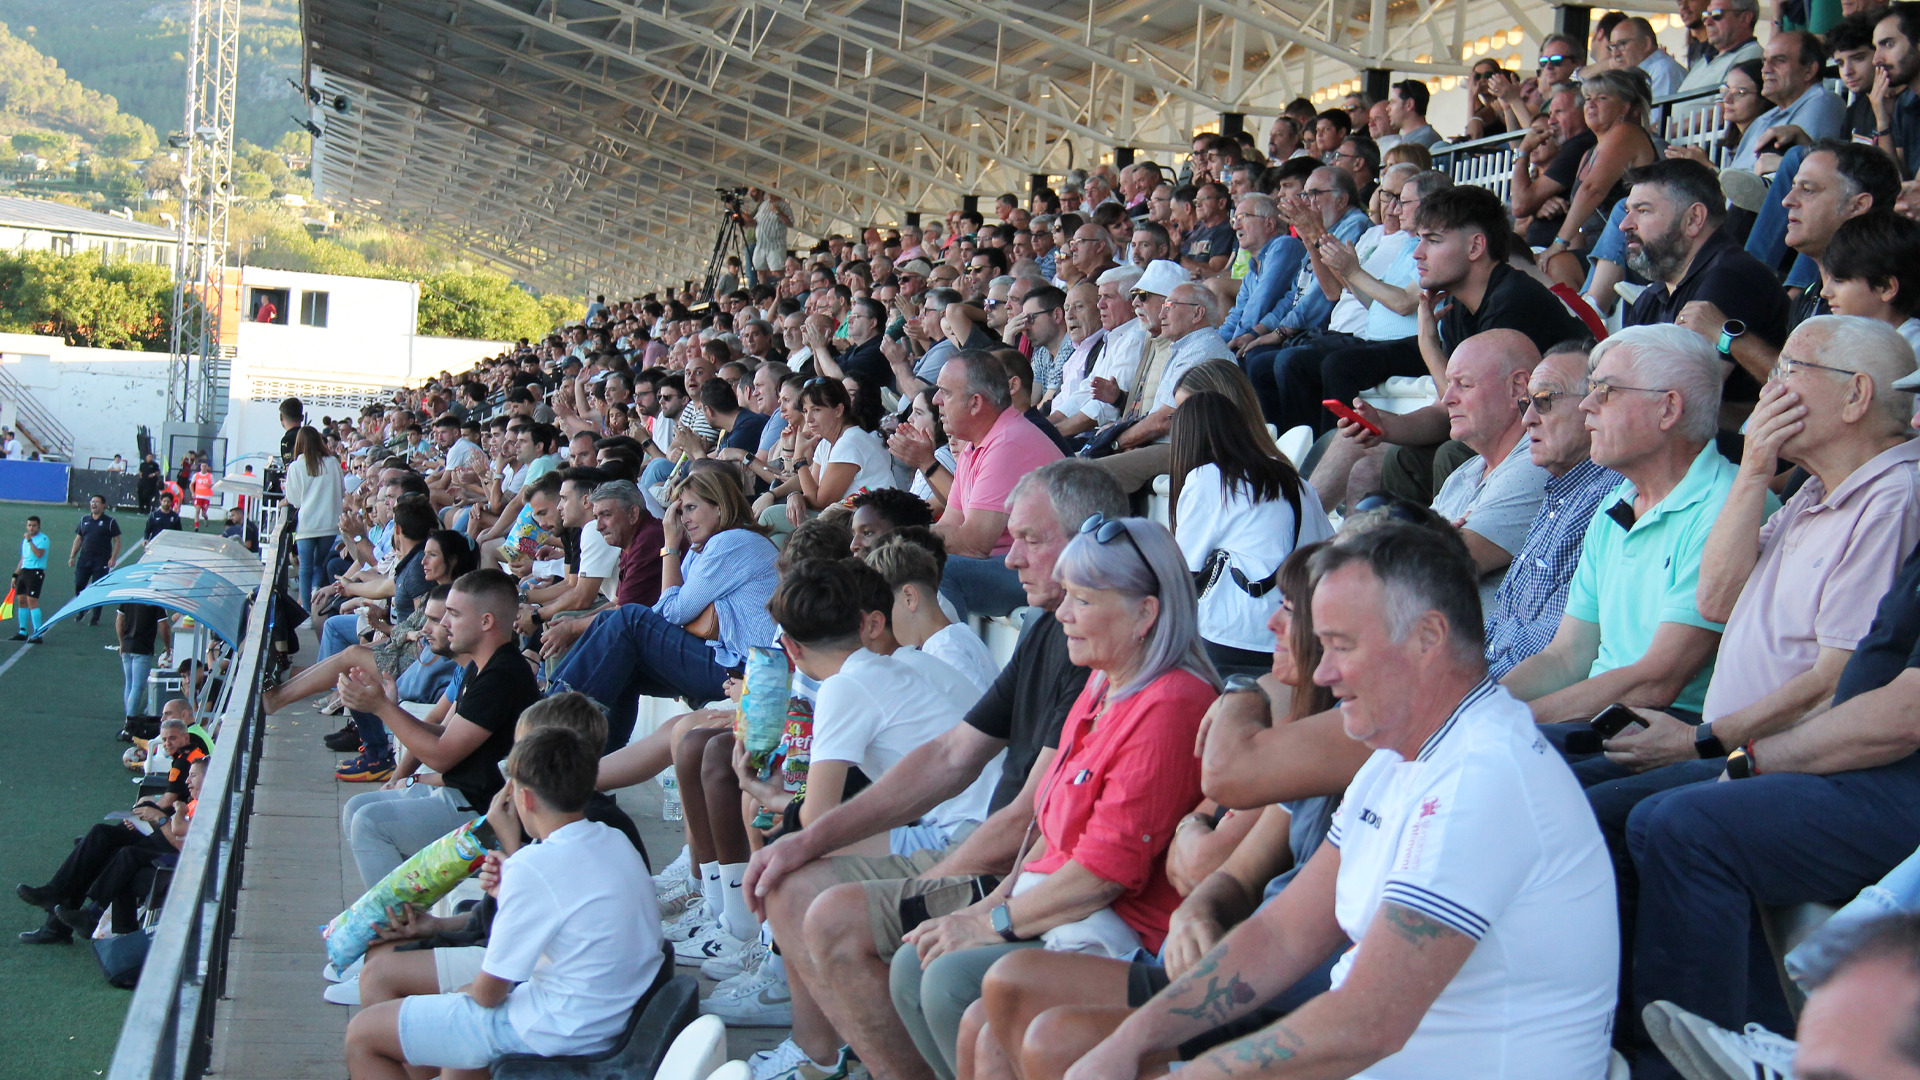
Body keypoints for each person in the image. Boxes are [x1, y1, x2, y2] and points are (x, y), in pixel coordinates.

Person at [1063, 524, 1618, 1080]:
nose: (1323, 672)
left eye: (1342, 646)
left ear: (1428, 638)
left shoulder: (1485, 779)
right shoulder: (1393, 760)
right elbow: (1283, 934)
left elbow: (1368, 1022)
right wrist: (1131, 1042)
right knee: (1075, 1047)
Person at [742, 461, 1123, 1080]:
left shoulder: (1095, 647)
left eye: (1031, 540)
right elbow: (952, 755)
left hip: (1011, 869)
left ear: (1093, 538)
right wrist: (805, 839)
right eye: (1015, 538)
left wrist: (927, 890)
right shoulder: (1047, 629)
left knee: (838, 921)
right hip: (987, 853)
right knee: (790, 879)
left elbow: (1030, 815)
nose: (1009, 559)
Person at [886, 515, 1217, 1080]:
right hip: (1059, 909)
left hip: (1120, 936)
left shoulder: (1172, 704)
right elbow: (1043, 832)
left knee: (945, 979)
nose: (1062, 613)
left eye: (1083, 601)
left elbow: (1104, 875)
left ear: (1146, 614)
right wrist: (981, 911)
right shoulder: (1101, 683)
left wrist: (996, 923)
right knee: (913, 963)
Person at [342, 728, 661, 1079]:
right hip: (607, 1021)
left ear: (523, 799)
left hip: (555, 1032)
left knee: (363, 1034)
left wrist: (460, 992)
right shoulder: (615, 840)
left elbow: (488, 994)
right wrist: (514, 888)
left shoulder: (533, 866)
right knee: (449, 1045)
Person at [1502, 325, 1747, 727]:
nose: (1586, 406)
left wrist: (1510, 723)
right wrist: (1481, 708)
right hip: (1601, 718)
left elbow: (1657, 681)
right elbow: (1564, 657)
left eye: (1606, 391)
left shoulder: (1727, 506)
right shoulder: (1616, 503)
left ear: (1668, 409)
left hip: (1662, 728)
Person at [335, 570, 540, 887]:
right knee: (357, 807)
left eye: (454, 614)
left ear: (486, 622)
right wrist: (388, 707)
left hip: (490, 817)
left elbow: (442, 756)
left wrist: (382, 708)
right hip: (464, 800)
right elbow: (445, 736)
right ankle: (409, 914)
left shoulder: (503, 675)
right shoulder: (482, 666)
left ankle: (395, 929)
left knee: (370, 824)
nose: (445, 624)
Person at [551, 469, 780, 749]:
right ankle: (595, 770)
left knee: (628, 620)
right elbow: (665, 608)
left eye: (692, 508)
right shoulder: (703, 549)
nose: (685, 519)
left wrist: (670, 545)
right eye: (681, 511)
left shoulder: (731, 541)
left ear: (720, 507)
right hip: (728, 661)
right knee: (623, 660)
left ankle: (550, 719)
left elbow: (671, 612)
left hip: (748, 668)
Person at [1483, 342, 1622, 680]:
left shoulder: (1605, 498)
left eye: (1544, 401)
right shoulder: (1561, 489)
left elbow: (1552, 657)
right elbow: (1504, 626)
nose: (1528, 419)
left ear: (1595, 406)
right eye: (1525, 404)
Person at [1169, 391, 1332, 676]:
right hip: (1300, 632)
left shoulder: (1207, 479)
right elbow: (1326, 548)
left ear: (1186, 439)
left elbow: (1182, 570)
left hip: (1235, 633)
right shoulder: (1293, 480)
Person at [1620, 157, 1789, 399]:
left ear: (1694, 219)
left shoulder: (1731, 278)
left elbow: (1680, 400)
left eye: (1643, 211)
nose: (1625, 225)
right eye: (1628, 212)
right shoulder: (1651, 298)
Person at [931, 351, 1066, 621]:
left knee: (936, 570)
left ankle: (948, 660)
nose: (936, 401)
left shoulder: (1007, 443)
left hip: (1050, 572)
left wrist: (902, 540)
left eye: (944, 393)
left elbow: (975, 543)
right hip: (1012, 564)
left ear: (975, 403)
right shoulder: (975, 445)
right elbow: (950, 524)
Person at [1542, 68, 1659, 289]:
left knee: (1557, 264)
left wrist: (1558, 244)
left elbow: (1592, 190)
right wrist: (1567, 250)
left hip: (1635, 248)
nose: (1591, 104)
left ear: (1624, 106)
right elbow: (1581, 222)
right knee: (1546, 267)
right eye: (1587, 98)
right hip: (1597, 251)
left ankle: (1588, 317)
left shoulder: (1627, 132)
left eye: (1602, 98)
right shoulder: (1588, 154)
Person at [866, 530, 999, 692]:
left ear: (910, 597)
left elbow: (977, 711)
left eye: (884, 607)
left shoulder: (944, 651)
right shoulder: (957, 636)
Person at [285, 425, 345, 613]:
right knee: (317, 563)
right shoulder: (333, 463)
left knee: (305, 568)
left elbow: (294, 501)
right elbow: (342, 491)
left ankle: (306, 611)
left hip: (307, 525)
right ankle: (316, 597)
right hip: (330, 524)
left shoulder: (296, 466)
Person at [1675, 0, 1764, 95]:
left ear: (1745, 18)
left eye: (1716, 14)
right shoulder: (1704, 61)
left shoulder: (1751, 57)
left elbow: (1730, 105)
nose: (1707, 22)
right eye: (1705, 15)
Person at [69, 494, 120, 626]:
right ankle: (82, 609)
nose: (94, 504)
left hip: (101, 560)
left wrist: (113, 558)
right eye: (92, 502)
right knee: (79, 583)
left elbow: (117, 541)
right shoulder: (84, 520)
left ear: (103, 505)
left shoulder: (110, 522)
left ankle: (95, 616)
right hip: (84, 558)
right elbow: (78, 538)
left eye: (97, 502)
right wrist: (72, 556)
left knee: (98, 586)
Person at [116, 602, 169, 724]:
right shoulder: (155, 601)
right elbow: (163, 625)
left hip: (127, 646)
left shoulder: (129, 598)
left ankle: (129, 716)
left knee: (129, 684)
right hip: (143, 648)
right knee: (137, 687)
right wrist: (167, 645)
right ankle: (130, 719)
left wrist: (121, 643)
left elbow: (119, 620)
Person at [11, 514, 47, 641]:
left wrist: (30, 541)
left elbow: (38, 554)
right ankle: (23, 631)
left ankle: (38, 632)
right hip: (24, 572)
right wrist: (16, 574)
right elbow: (23, 558)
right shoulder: (24, 541)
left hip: (35, 572)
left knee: (32, 602)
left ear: (39, 526)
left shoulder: (43, 539)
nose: (31, 528)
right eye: (29, 525)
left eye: (34, 526)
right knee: (21, 601)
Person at [191, 461, 215, 529]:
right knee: (197, 510)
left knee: (203, 513)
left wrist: (209, 485)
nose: (204, 467)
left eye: (205, 466)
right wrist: (193, 493)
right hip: (198, 496)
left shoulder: (210, 476)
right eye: (202, 466)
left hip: (206, 497)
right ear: (200, 467)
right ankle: (196, 526)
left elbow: (213, 485)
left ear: (207, 467)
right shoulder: (196, 475)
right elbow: (191, 484)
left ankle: (206, 518)